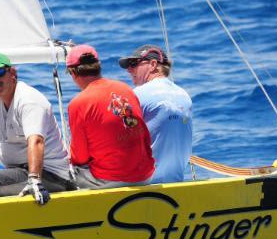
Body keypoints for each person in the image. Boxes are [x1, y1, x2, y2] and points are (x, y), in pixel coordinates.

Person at [0, 53, 74, 205]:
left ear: (12, 73)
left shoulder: (29, 100)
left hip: (49, 176)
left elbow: (36, 141)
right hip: (18, 172)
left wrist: (34, 180)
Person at [65, 44, 155, 189]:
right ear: (98, 67)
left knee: (64, 173)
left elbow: (79, 157)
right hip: (146, 176)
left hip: (110, 181)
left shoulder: (78, 103)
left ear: (73, 73)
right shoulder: (126, 89)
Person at [118, 44, 193, 184]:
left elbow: (119, 139)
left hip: (145, 186)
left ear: (153, 64)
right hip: (176, 182)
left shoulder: (136, 95)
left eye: (134, 64)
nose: (129, 69)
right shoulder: (184, 95)